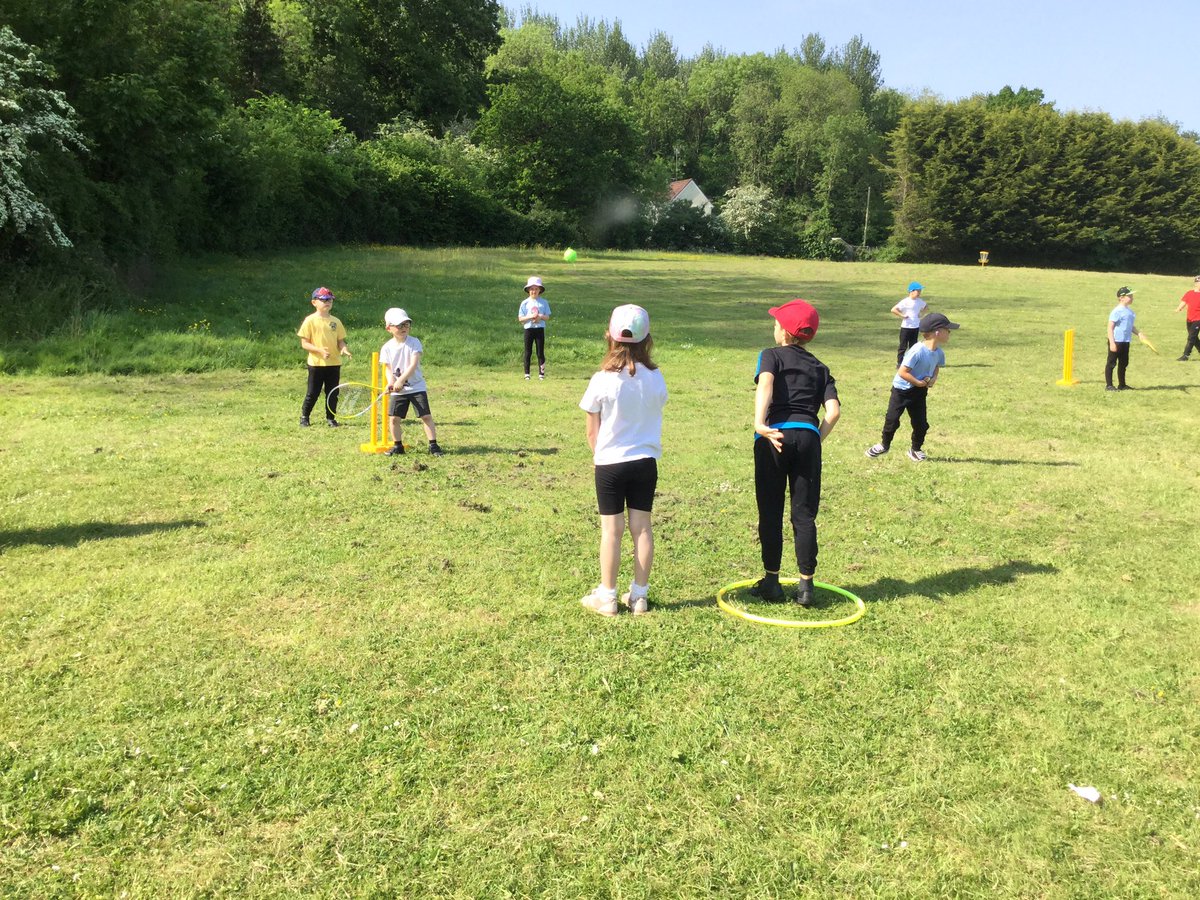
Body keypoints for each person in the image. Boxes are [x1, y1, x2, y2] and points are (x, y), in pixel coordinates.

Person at [750, 299, 841, 608]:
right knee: (804, 514)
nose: (773, 328)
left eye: (776, 324)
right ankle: (805, 587)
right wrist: (816, 437)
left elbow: (766, 384)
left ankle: (772, 583)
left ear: (785, 332)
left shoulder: (770, 356)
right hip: (808, 437)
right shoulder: (820, 367)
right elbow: (834, 411)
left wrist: (760, 423)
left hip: (774, 435)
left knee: (771, 511)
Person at [578, 305, 668, 617]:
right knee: (642, 528)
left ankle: (608, 597)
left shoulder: (601, 380)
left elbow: (593, 432)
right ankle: (639, 597)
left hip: (610, 464)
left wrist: (600, 457)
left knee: (611, 531)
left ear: (610, 338)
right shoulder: (656, 378)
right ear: (647, 340)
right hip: (645, 462)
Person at [866, 311, 960, 462]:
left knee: (921, 424)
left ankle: (915, 449)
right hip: (901, 391)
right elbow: (902, 372)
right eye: (947, 330)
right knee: (892, 420)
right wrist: (917, 382)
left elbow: (936, 366)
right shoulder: (917, 351)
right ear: (937, 332)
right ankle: (884, 445)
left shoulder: (938, 353)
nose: (949, 333)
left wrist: (933, 378)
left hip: (919, 392)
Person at [380, 307, 445, 456]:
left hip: (416, 387)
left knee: (426, 416)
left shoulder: (414, 342)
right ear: (389, 328)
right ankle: (398, 446)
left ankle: (433, 446)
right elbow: (388, 369)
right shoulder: (386, 348)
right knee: (394, 419)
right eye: (399, 325)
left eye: (406, 324)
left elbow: (413, 364)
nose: (403, 328)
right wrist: (391, 382)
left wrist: (401, 380)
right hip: (398, 391)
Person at [297, 286, 351, 427]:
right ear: (314, 302)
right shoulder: (310, 320)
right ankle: (305, 417)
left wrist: (344, 348)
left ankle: (331, 418)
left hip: (334, 363)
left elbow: (340, 340)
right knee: (313, 393)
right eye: (324, 300)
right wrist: (319, 351)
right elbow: (304, 343)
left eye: (330, 300)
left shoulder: (336, 321)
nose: (328, 302)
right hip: (316, 363)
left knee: (333, 392)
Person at [1106, 287, 1143, 391]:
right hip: (1116, 341)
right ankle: (1109, 385)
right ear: (1121, 298)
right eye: (1129, 296)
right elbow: (1110, 327)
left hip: (1126, 341)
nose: (1132, 298)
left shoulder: (1130, 312)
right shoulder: (1117, 311)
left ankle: (1122, 385)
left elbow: (1130, 326)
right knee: (1111, 363)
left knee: (1123, 363)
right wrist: (1112, 343)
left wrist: (1139, 333)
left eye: (1132, 296)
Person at [518, 276, 551, 380]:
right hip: (529, 329)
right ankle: (526, 374)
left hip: (539, 329)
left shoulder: (544, 302)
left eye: (536, 289)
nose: (534, 291)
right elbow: (520, 318)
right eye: (532, 289)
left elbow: (547, 317)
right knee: (528, 351)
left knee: (540, 352)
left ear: (540, 290)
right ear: (528, 290)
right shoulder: (525, 303)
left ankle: (541, 374)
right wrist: (530, 317)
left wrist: (540, 316)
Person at [890, 282, 928, 367]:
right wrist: (902, 315)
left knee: (913, 346)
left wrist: (921, 314)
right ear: (912, 291)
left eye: (920, 291)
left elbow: (926, 307)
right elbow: (893, 309)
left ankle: (912, 362)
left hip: (915, 326)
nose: (919, 293)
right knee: (903, 346)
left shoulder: (919, 301)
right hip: (906, 327)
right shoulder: (905, 302)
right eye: (918, 291)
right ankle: (900, 363)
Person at [1174, 275, 1200, 361]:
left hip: (1198, 319)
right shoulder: (1189, 293)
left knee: (1191, 337)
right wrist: (1179, 308)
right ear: (1196, 283)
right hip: (1189, 319)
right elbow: (1184, 301)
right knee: (1193, 337)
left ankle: (1186, 355)